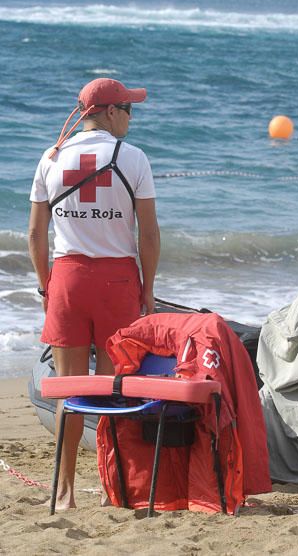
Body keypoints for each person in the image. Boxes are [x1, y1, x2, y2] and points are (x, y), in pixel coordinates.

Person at [28, 77, 160, 510]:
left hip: (67, 277)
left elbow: (35, 233)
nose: (131, 118)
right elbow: (148, 234)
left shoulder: (50, 158)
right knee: (112, 388)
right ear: (108, 112)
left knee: (70, 390)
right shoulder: (132, 157)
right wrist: (149, 288)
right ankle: (111, 490)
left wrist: (46, 285)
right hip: (117, 282)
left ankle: (63, 493)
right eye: (128, 110)